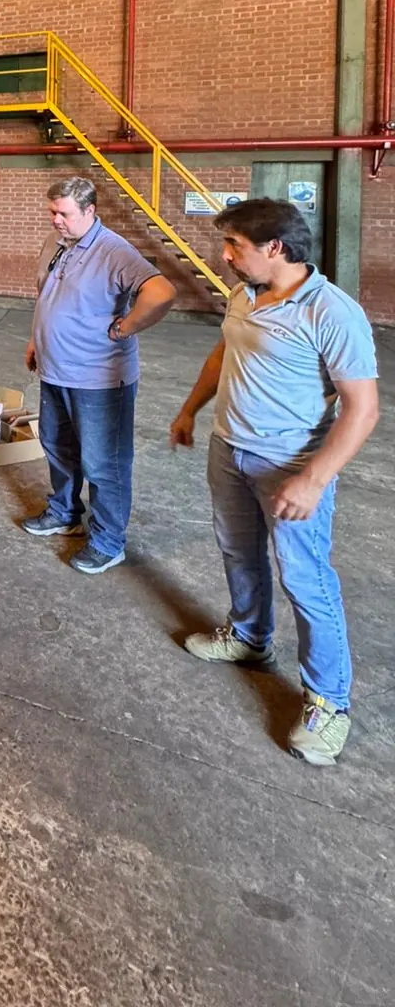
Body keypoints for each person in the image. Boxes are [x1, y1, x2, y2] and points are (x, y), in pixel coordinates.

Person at [170, 197, 379, 767]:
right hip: (229, 451)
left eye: (234, 245)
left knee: (307, 581)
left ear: (275, 248)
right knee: (238, 553)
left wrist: (313, 480)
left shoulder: (331, 313)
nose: (225, 255)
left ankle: (329, 703)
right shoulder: (245, 292)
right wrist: (189, 410)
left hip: (288, 465)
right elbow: (223, 355)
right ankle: (248, 636)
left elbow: (362, 409)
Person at [23, 176, 176, 573]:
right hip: (55, 370)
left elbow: (161, 292)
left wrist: (126, 327)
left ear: (90, 210)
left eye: (64, 213)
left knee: (104, 463)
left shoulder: (114, 250)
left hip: (98, 379)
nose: (56, 219)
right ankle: (65, 513)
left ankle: (108, 542)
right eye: (52, 211)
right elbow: (46, 296)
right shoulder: (56, 242)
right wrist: (36, 339)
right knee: (57, 446)